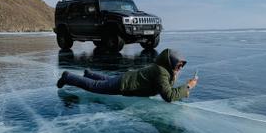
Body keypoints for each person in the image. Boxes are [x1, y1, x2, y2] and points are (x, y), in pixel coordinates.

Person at [57, 48, 198, 102]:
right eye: (178, 65)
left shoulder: (164, 70)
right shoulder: (161, 72)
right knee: (96, 87)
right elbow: (168, 96)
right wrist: (188, 87)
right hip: (125, 84)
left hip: (127, 78)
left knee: (107, 80)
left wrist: (177, 80)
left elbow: (166, 88)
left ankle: (89, 73)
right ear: (170, 62)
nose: (180, 68)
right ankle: (68, 76)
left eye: (181, 65)